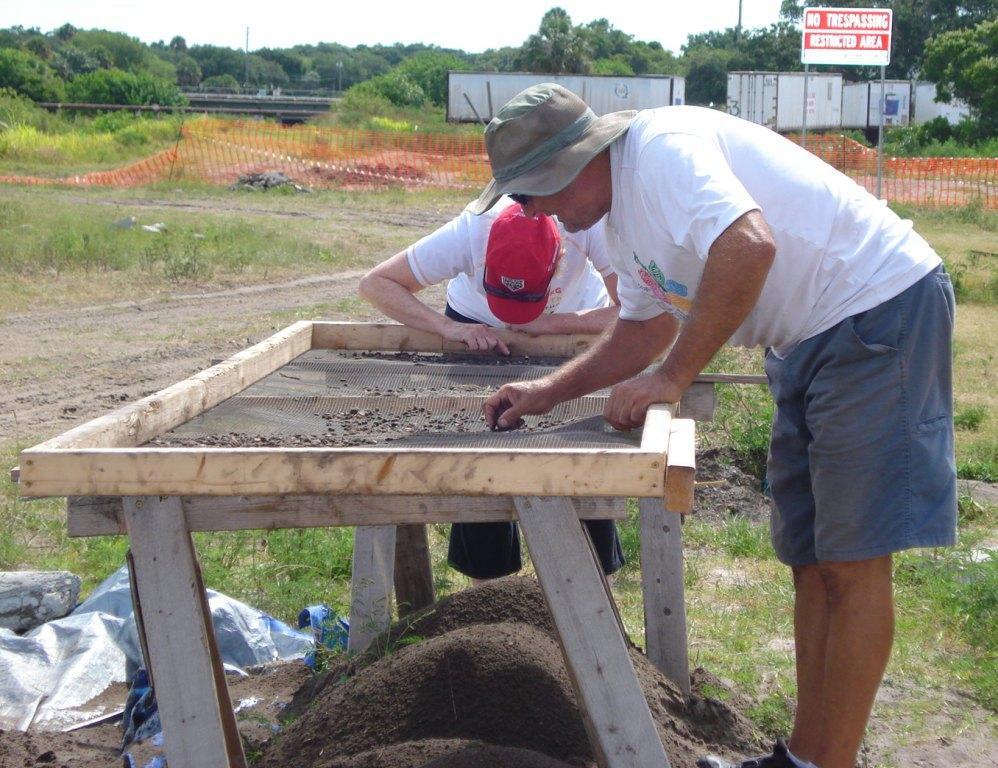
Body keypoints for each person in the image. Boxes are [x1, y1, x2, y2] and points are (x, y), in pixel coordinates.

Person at [474, 84, 956, 768]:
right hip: (807, 339)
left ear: (572, 165)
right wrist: (550, 392)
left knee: (851, 560)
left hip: (878, 314)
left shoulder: (662, 154)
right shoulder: (613, 220)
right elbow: (641, 329)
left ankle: (828, 762)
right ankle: (805, 757)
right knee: (812, 560)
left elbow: (749, 246)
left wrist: (673, 378)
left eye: (531, 194)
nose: (533, 211)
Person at [359, 196, 625, 585]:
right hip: (475, 330)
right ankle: (489, 596)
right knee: (480, 452)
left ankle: (592, 587)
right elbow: (376, 284)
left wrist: (553, 325)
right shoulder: (471, 229)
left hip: (573, 329)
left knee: (578, 451)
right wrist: (449, 329)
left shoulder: (583, 220)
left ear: (559, 262)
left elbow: (632, 309)